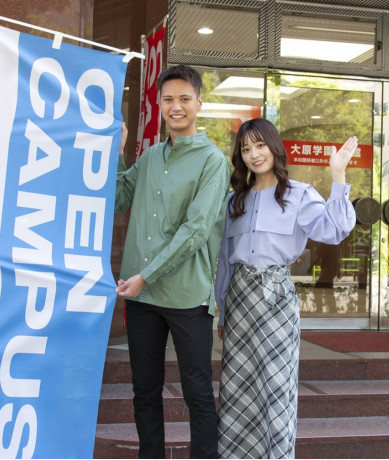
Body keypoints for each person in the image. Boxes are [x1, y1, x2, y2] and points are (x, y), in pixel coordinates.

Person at [215, 118, 357, 459]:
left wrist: (338, 175)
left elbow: (334, 230)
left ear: (274, 147)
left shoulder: (298, 194)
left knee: (276, 386)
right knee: (237, 387)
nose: (253, 155)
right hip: (239, 302)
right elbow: (225, 262)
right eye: (245, 149)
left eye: (260, 145)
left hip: (276, 298)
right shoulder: (235, 200)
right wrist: (222, 310)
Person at [115, 65, 231, 459]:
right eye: (168, 99)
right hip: (142, 297)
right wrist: (116, 153)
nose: (176, 106)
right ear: (159, 104)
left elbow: (195, 231)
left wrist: (145, 276)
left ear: (199, 102)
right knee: (144, 390)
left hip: (186, 296)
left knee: (197, 390)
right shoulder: (150, 156)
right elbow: (117, 200)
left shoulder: (213, 161)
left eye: (184, 98)